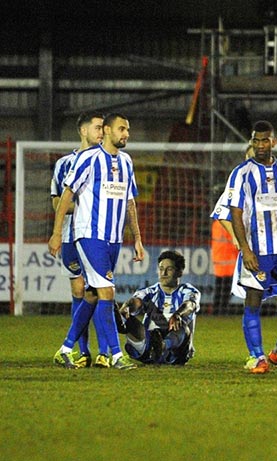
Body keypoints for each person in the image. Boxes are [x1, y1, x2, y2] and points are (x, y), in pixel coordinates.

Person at [48, 112, 145, 370]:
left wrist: (137, 238)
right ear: (108, 131)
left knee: (91, 295)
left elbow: (130, 202)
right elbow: (67, 195)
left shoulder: (126, 162)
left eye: (128, 129)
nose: (126, 134)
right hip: (89, 235)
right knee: (107, 291)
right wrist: (57, 233)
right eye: (122, 129)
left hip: (113, 239)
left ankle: (65, 348)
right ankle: (115, 355)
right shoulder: (88, 159)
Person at [225, 120, 277, 374]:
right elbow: (235, 213)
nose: (260, 145)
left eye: (265, 140)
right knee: (253, 301)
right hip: (257, 250)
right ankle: (256, 356)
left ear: (274, 142)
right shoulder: (242, 173)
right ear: (252, 143)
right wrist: (246, 250)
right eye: (256, 140)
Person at [210, 165, 277, 369]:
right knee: (252, 302)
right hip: (254, 253)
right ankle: (256, 355)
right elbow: (220, 213)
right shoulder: (238, 181)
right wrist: (239, 239)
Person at [50, 111, 107, 368]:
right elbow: (56, 202)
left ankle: (105, 352)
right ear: (83, 131)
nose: (102, 132)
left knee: (99, 289)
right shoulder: (64, 163)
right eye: (97, 127)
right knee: (79, 291)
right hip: (72, 235)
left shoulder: (109, 161)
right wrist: (87, 205)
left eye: (104, 128)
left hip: (98, 236)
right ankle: (83, 352)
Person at [117, 250, 200, 365]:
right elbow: (137, 301)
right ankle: (121, 323)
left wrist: (177, 314)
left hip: (175, 354)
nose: (164, 273)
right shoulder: (150, 291)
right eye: (161, 269)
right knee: (131, 321)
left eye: (169, 269)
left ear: (179, 272)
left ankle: (162, 345)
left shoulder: (187, 290)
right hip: (148, 347)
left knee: (181, 327)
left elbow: (190, 304)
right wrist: (127, 307)